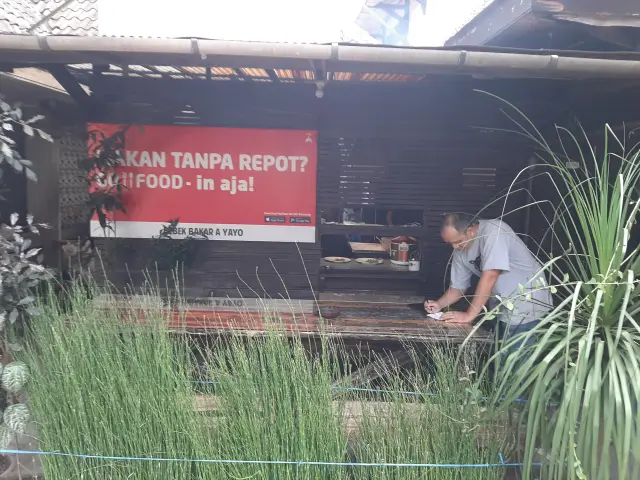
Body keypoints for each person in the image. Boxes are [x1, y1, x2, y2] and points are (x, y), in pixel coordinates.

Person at [424, 213, 551, 345]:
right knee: (499, 360)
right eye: (450, 243)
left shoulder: (494, 231)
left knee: (516, 361)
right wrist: (439, 304)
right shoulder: (460, 250)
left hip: (527, 304)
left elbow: (491, 275)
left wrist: (469, 315)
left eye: (457, 241)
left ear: (471, 231)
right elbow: (458, 287)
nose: (454, 247)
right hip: (500, 307)